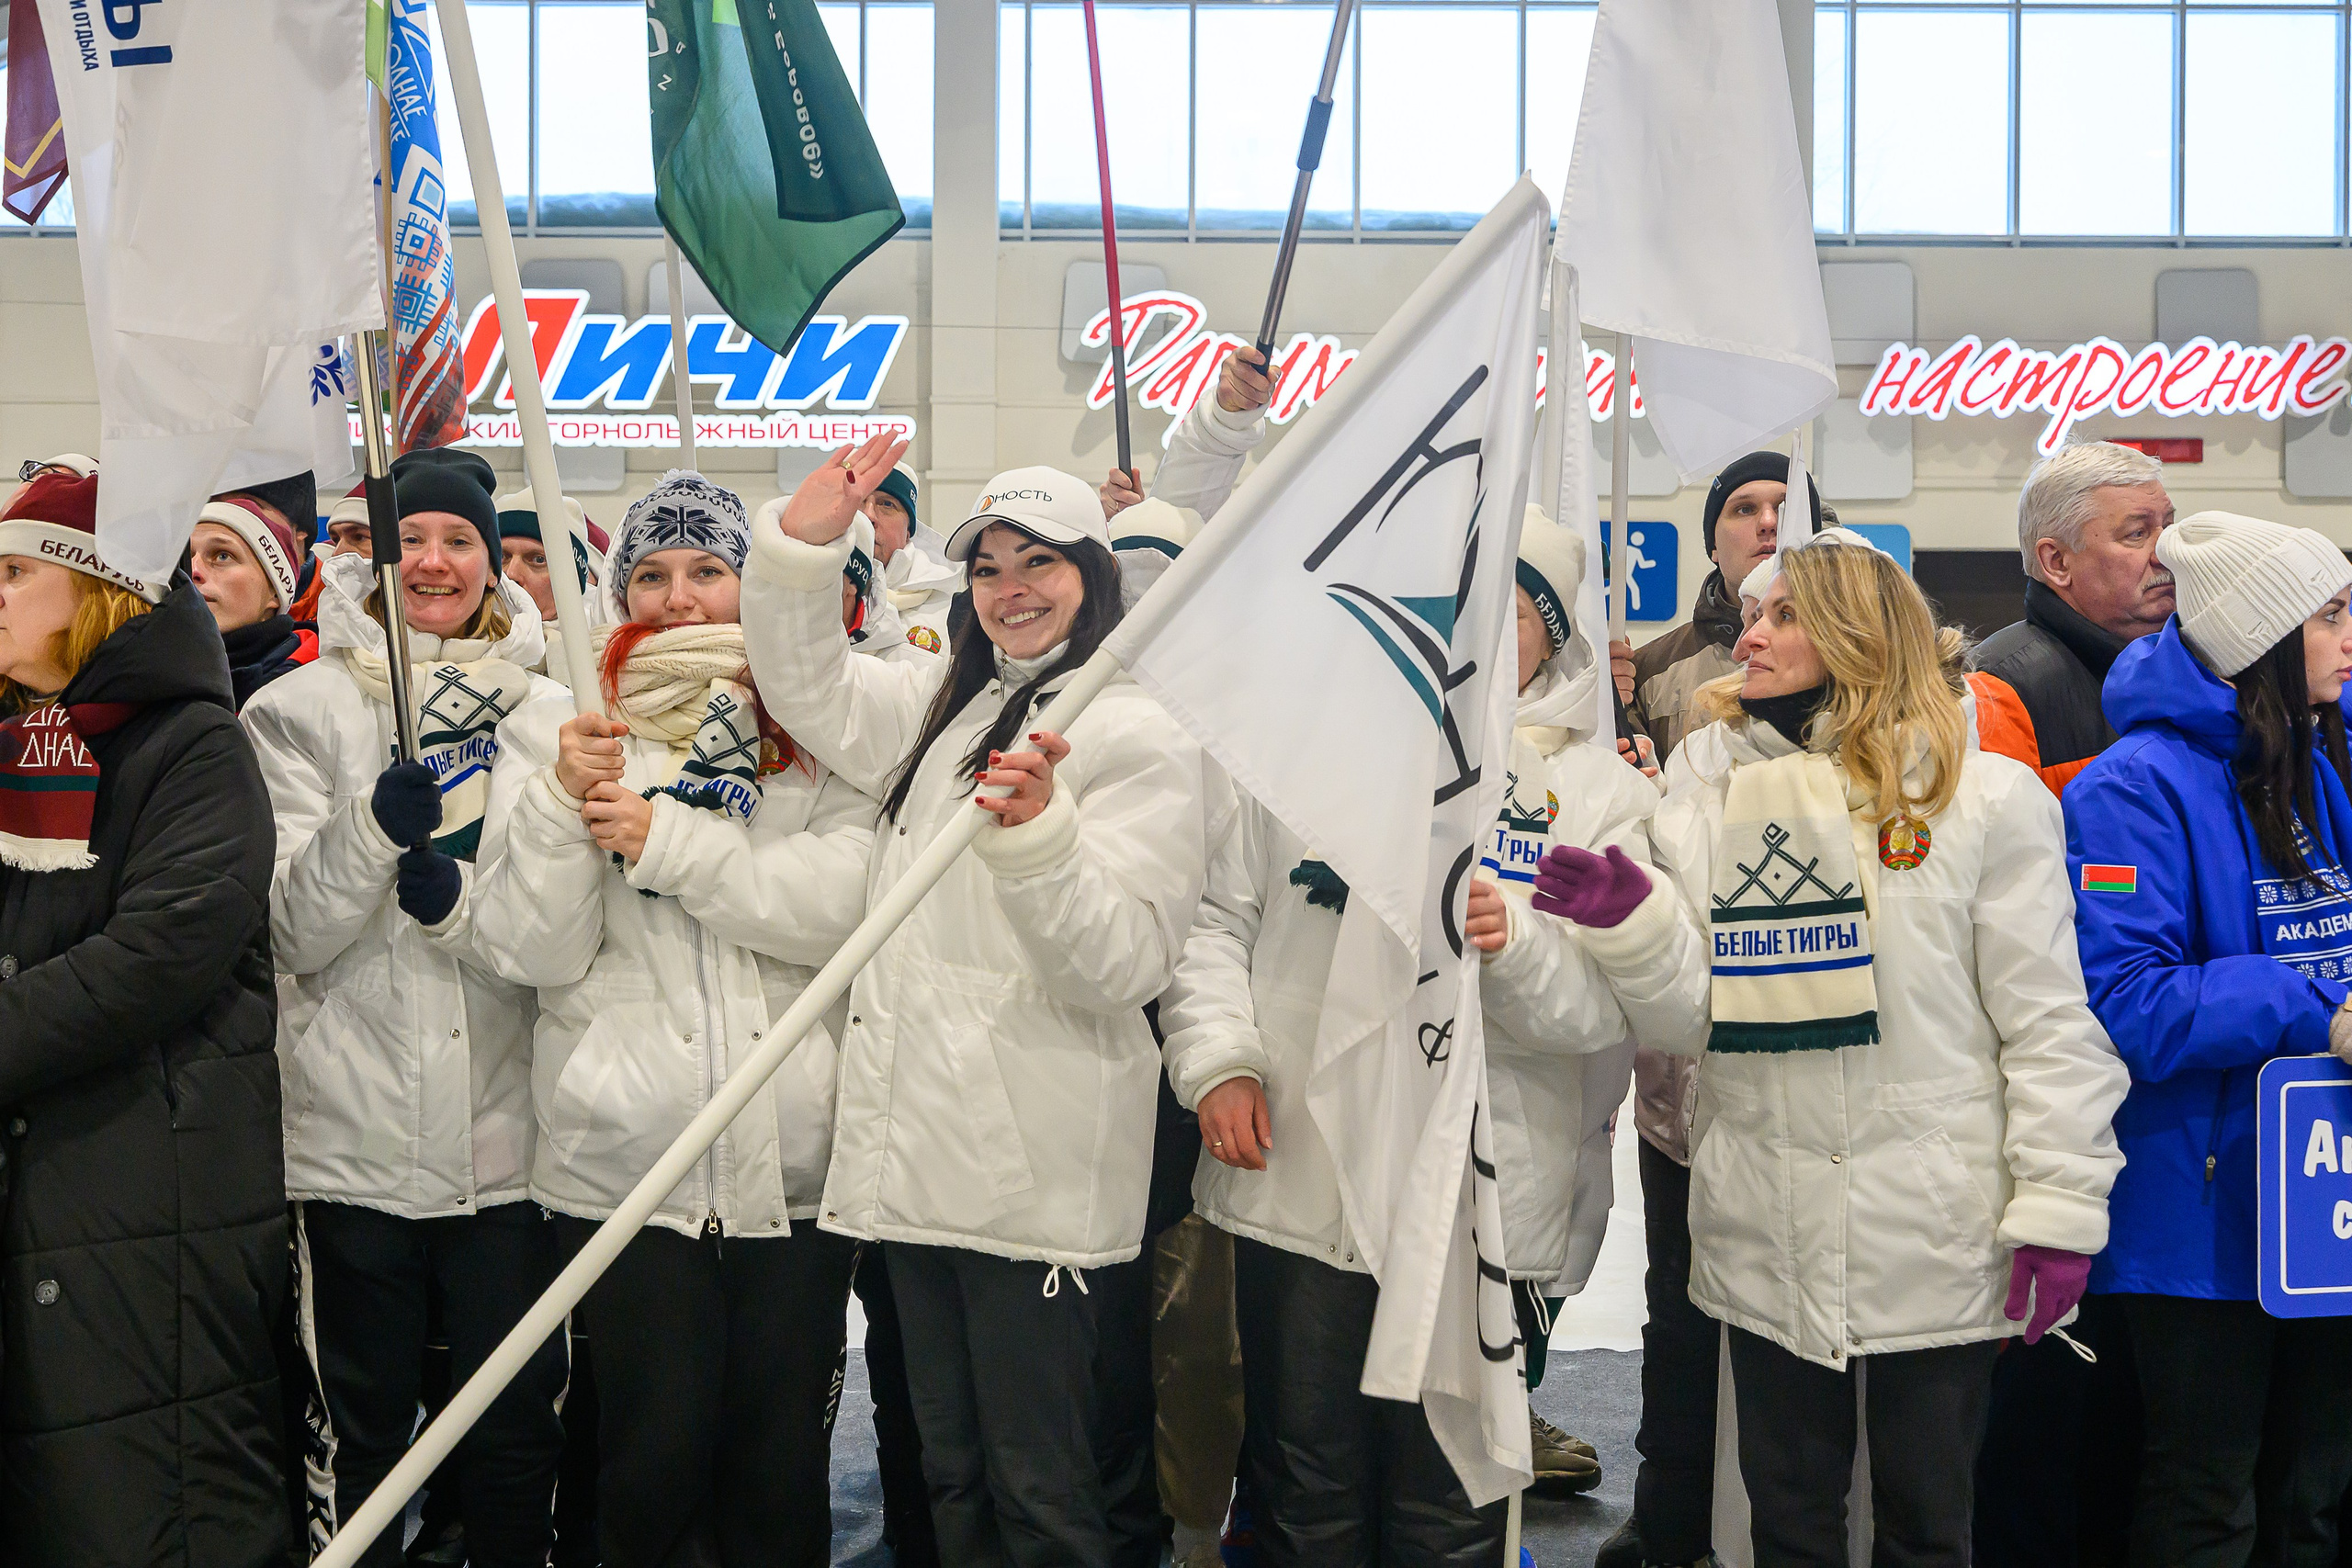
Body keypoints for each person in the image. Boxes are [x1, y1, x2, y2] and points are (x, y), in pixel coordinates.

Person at [1575, 535, 2126, 1568]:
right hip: (1762, 1223)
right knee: (1787, 1529)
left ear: (1856, 630)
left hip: (1935, 1227)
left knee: (1927, 1529)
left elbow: (2048, 1028)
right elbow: (1692, 1018)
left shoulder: (1984, 800)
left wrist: (2058, 1212)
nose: (1752, 633)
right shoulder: (1708, 807)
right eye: (1753, 615)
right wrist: (1634, 925)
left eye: (1784, 615)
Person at [743, 437, 1210, 1566]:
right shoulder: (946, 709)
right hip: (911, 1164)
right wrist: (803, 551)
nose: (1012, 589)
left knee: (1040, 1489)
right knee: (952, 1477)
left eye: (1039, 563)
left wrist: (1041, 837)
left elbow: (1122, 964)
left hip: (1030, 1178)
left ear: (1093, 579)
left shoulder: (1137, 733)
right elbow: (807, 687)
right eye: (989, 567)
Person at [461, 469, 876, 1566]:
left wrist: (669, 845)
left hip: (791, 1163)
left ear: (751, 585)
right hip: (627, 1168)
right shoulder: (564, 725)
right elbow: (532, 950)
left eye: (706, 570)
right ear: (618, 590)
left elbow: (842, 911)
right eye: (650, 573)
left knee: (779, 1466)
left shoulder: (821, 723)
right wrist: (558, 807)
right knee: (649, 1464)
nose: (678, 597)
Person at [242, 446, 569, 1567]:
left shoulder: (548, 714)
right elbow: (290, 929)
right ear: (373, 554)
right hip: (351, 1147)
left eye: (459, 540)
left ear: (492, 560)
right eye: (410, 539)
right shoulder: (298, 711)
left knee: (514, 1430)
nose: (433, 560)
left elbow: (562, 937)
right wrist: (371, 831)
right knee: (363, 1431)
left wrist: (460, 900)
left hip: (512, 1147)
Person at [0, 470, 291, 1564]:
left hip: (150, 1178)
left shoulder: (195, 745)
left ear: (97, 592)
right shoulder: (26, 735)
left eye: (17, 572)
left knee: (151, 1496)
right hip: (54, 1175)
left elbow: (159, 954)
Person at [2065, 512, 2352, 1568]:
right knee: (2205, 1497)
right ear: (2262, 642)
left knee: (2312, 1496)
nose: (2349, 636)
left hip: (2321, 1198)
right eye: (2328, 616)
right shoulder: (2129, 788)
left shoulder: (2315, 754)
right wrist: (2308, 1008)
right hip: (2197, 1210)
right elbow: (2128, 1001)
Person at [1600, 446, 1820, 1568]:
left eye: (1786, 505)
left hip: (1811, 1071)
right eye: (1745, 507)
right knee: (1678, 1303)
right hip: (1685, 1066)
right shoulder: (1665, 666)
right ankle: (1671, 1508)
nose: (1766, 521)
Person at [1466, 505, 1709, 1501]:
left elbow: (1595, 1016)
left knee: (1474, 1475)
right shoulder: (1371, 758)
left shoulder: (1602, 790)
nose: (1479, 635)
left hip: (1521, 1155)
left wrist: (1503, 943)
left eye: (1511, 613)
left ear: (1550, 636)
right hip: (1360, 1156)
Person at [1972, 442, 2175, 797]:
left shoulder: (2206, 663)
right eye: (2137, 534)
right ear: (2057, 563)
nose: (2168, 552)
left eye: (2169, 527)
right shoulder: (1995, 694)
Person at [189, 496, 319, 707]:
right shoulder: (157, 679)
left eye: (223, 556)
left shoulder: (313, 696)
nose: (194, 571)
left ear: (275, 593)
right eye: (187, 557)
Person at [493, 487, 612, 686]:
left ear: (574, 582)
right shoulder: (454, 649)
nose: (511, 574)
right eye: (502, 557)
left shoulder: (609, 662)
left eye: (538, 559)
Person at [865, 462, 959, 649]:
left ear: (909, 531)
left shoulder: (953, 610)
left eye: (886, 504)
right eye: (858, 502)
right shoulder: (813, 595)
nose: (869, 515)